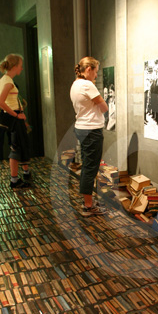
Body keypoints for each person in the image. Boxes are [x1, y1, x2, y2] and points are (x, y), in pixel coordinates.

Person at [70, 56, 109, 217]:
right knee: (90, 168)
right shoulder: (87, 85)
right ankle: (88, 206)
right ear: (88, 70)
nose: (96, 76)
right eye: (95, 72)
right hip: (92, 130)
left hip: (82, 128)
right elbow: (105, 107)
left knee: (88, 165)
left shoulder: (75, 84)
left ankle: (88, 201)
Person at [0, 53, 32, 189]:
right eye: (20, 66)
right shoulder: (7, 82)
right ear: (15, 66)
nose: (21, 69)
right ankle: (14, 180)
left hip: (14, 116)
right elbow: (0, 102)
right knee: (15, 149)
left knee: (16, 147)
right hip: (14, 117)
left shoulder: (5, 80)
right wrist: (16, 115)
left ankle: (17, 177)